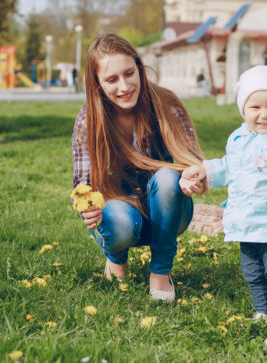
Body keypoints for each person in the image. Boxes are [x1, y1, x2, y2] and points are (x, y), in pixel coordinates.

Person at [180, 65, 267, 348]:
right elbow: (230, 167)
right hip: (247, 221)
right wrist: (205, 170)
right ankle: (263, 312)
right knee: (253, 272)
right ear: (243, 109)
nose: (264, 114)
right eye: (255, 107)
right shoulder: (239, 138)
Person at [71, 34, 204, 302]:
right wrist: (88, 209)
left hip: (170, 212)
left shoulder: (166, 104)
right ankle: (116, 259)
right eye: (111, 79)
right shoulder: (89, 120)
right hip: (121, 213)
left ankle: (160, 271)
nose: (124, 86)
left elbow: (194, 163)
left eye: (129, 73)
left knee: (168, 177)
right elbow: (82, 187)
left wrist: (194, 176)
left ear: (139, 68)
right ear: (96, 83)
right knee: (118, 222)